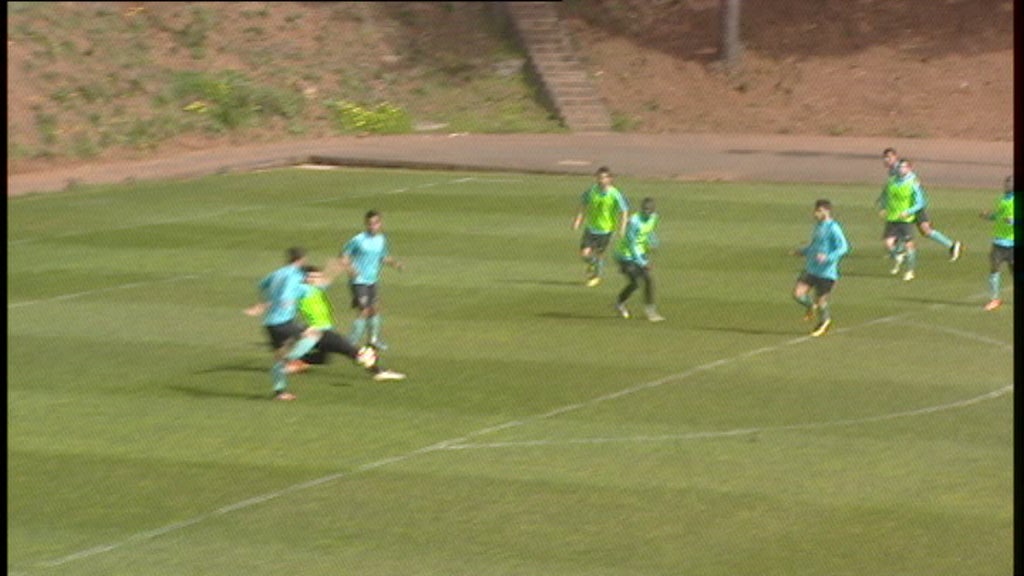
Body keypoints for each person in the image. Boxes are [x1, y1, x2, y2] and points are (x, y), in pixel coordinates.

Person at [291, 264, 406, 380]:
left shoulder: (315, 289)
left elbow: (325, 281)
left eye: (318, 276)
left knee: (322, 358)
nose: (318, 279)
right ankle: (379, 373)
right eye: (314, 277)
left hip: (322, 330)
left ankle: (292, 361)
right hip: (320, 331)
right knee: (355, 352)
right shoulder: (303, 289)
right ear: (305, 278)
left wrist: (338, 266)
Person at [245, 247, 332, 401]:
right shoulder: (294, 275)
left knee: (279, 357)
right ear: (302, 259)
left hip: (270, 323)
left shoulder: (277, 273)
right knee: (314, 334)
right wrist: (286, 301)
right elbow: (288, 293)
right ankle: (291, 361)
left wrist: (264, 303)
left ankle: (280, 392)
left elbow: (262, 285)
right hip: (283, 322)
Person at [329, 210, 404, 352]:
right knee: (364, 310)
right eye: (370, 224)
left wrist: (395, 264)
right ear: (366, 224)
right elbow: (343, 255)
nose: (372, 226)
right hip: (359, 281)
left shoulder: (381, 239)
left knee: (375, 309)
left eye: (375, 223)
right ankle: (351, 343)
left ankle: (373, 340)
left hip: (372, 280)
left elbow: (383, 256)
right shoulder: (358, 239)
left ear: (380, 224)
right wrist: (350, 269)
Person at [877, 148, 962, 272]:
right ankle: (898, 252)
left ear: (895, 158)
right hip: (905, 207)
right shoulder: (892, 171)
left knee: (925, 231)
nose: (886, 160)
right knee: (905, 231)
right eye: (884, 158)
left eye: (888, 158)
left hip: (912, 207)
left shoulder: (899, 169)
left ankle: (951, 245)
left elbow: (912, 183)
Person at [791, 199, 850, 337]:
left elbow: (844, 247)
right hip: (811, 269)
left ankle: (824, 321)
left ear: (826, 211)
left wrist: (828, 257)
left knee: (821, 301)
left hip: (826, 273)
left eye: (818, 211)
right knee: (798, 294)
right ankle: (810, 306)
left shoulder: (833, 228)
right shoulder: (818, 226)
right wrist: (803, 251)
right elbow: (815, 246)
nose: (815, 214)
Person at [571, 166, 629, 287]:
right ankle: (593, 264)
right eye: (599, 177)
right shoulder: (592, 190)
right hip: (591, 228)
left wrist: (622, 227)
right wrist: (578, 220)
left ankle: (595, 276)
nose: (600, 180)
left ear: (609, 179)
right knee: (584, 254)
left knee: (598, 254)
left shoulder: (615, 194)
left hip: (606, 230)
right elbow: (583, 204)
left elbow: (624, 210)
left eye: (603, 178)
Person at [613, 197, 664, 322]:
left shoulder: (654, 218)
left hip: (639, 254)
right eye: (645, 210)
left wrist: (654, 242)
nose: (647, 212)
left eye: (649, 210)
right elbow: (631, 244)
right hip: (625, 255)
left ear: (653, 210)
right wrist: (643, 263)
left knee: (648, 280)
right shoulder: (634, 221)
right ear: (641, 209)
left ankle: (650, 311)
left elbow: (649, 232)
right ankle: (620, 303)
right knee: (635, 282)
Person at [878, 158, 925, 281]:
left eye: (903, 167)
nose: (900, 169)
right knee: (888, 243)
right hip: (892, 217)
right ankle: (898, 256)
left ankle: (910, 271)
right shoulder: (891, 181)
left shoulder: (913, 183)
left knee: (909, 245)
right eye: (899, 167)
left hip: (906, 219)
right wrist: (883, 207)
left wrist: (908, 211)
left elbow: (920, 202)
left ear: (909, 169)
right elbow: (884, 195)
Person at [979, 175, 1014, 311]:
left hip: (1012, 243)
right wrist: (988, 216)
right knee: (994, 269)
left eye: (1009, 184)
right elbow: (1000, 216)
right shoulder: (1003, 199)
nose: (1006, 186)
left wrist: (1013, 221)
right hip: (999, 242)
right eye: (1006, 184)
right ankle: (994, 299)